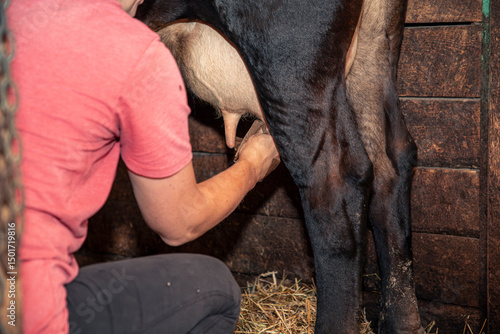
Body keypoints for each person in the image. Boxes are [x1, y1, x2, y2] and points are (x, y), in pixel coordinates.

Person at [8, 0, 280, 333]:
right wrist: (254, 163)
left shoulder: (14, 11)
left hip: (10, 286)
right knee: (217, 290)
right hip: (24, 312)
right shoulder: (135, 53)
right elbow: (180, 222)